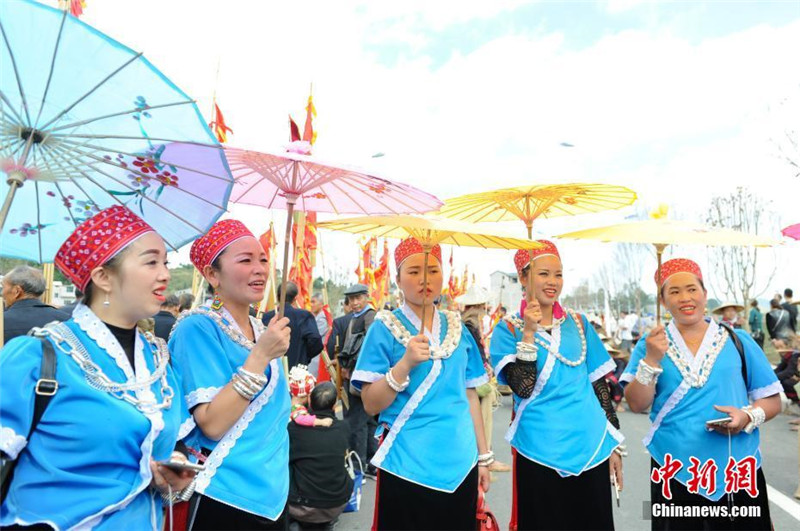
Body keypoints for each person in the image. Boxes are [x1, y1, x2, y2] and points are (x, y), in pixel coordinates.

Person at [0, 206, 194, 529]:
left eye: (166, 263)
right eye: (151, 262)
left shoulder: (159, 363)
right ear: (103, 277)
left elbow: (171, 442)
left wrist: (173, 468)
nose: (165, 275)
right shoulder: (37, 356)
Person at [623, 258, 782, 531]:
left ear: (705, 294)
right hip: (673, 470)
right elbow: (637, 404)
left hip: (737, 470)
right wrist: (651, 359)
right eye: (674, 291)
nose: (685, 298)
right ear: (663, 300)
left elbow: (773, 400)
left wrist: (746, 416)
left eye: (692, 289)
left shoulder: (738, 340)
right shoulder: (649, 345)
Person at [352, 238, 490, 530]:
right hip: (406, 463)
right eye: (414, 271)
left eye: (432, 270)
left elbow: (470, 396)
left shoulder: (458, 329)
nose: (424, 279)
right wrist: (405, 364)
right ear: (398, 279)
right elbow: (370, 403)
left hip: (461, 462)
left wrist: (482, 458)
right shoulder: (384, 328)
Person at [489, 241, 623, 531]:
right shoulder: (507, 329)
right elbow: (522, 387)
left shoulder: (579, 323)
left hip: (591, 447)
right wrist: (528, 332)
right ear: (523, 277)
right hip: (538, 450)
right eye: (543, 274)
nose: (553, 282)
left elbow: (599, 387)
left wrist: (613, 445)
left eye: (558, 274)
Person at [168, 219, 292, 530]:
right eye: (246, 260)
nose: (259, 269)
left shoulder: (262, 329)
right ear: (212, 274)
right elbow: (211, 424)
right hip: (222, 491)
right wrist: (260, 356)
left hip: (274, 491)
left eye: (263, 259)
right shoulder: (196, 327)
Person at [456, 284, 511, 476]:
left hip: (474, 376)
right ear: (478, 306)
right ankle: (485, 455)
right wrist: (485, 367)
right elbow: (474, 353)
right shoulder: (469, 325)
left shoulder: (467, 323)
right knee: (482, 415)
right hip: (474, 379)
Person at [288, 382, 354, 530]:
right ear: (334, 406)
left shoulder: (293, 428)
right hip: (337, 502)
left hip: (301, 504)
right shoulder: (344, 427)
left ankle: (295, 521)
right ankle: (327, 520)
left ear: (310, 401)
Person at [337, 283, 379, 478]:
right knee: (366, 422)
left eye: (358, 298)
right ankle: (371, 462)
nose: (354, 302)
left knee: (358, 422)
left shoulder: (369, 316)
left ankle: (358, 466)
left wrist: (353, 368)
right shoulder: (357, 317)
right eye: (351, 299)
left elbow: (370, 346)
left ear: (366, 297)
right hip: (356, 375)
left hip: (360, 377)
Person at [262, 282, 323, 371]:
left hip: (270, 370)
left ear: (278, 297)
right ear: (295, 298)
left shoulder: (266, 317)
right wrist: (303, 357)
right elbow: (316, 341)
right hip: (296, 370)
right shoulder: (304, 316)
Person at [2, 265, 69, 343]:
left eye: (3, 287)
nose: (2, 293)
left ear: (17, 291)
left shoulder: (3, 321)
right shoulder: (65, 320)